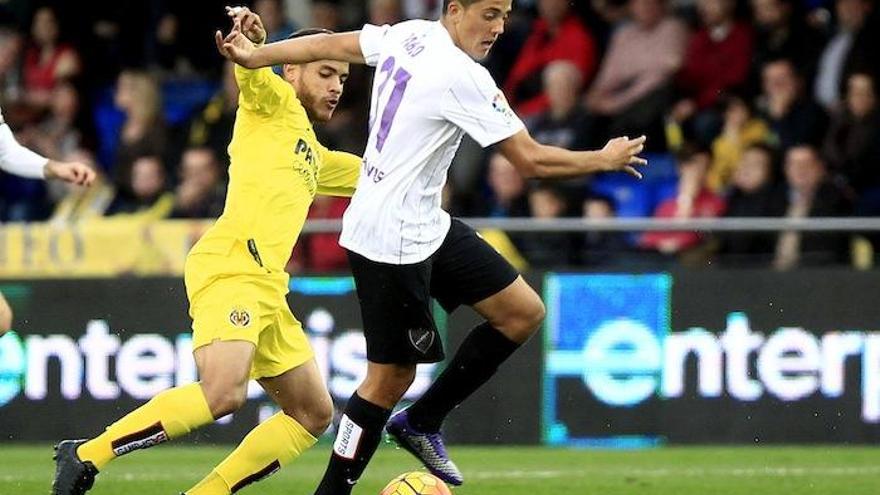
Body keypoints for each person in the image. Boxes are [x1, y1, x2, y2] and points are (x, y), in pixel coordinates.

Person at [218, 0, 646, 492]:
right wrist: (603, 157)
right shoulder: (461, 75)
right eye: (488, 14)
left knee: (522, 311)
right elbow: (529, 162)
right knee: (389, 379)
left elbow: (330, 44)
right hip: (389, 238)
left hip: (423, 221)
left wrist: (259, 54)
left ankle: (420, 422)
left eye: (505, 15)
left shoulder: (409, 35)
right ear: (456, 9)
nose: (499, 28)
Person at [51, 8, 361, 495]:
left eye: (341, 76)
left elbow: (377, 177)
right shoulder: (272, 100)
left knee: (313, 413)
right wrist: (253, 50)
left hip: (267, 288)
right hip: (233, 264)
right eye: (326, 72)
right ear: (292, 68)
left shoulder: (312, 152)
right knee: (222, 394)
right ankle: (85, 454)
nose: (337, 86)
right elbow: (254, 74)